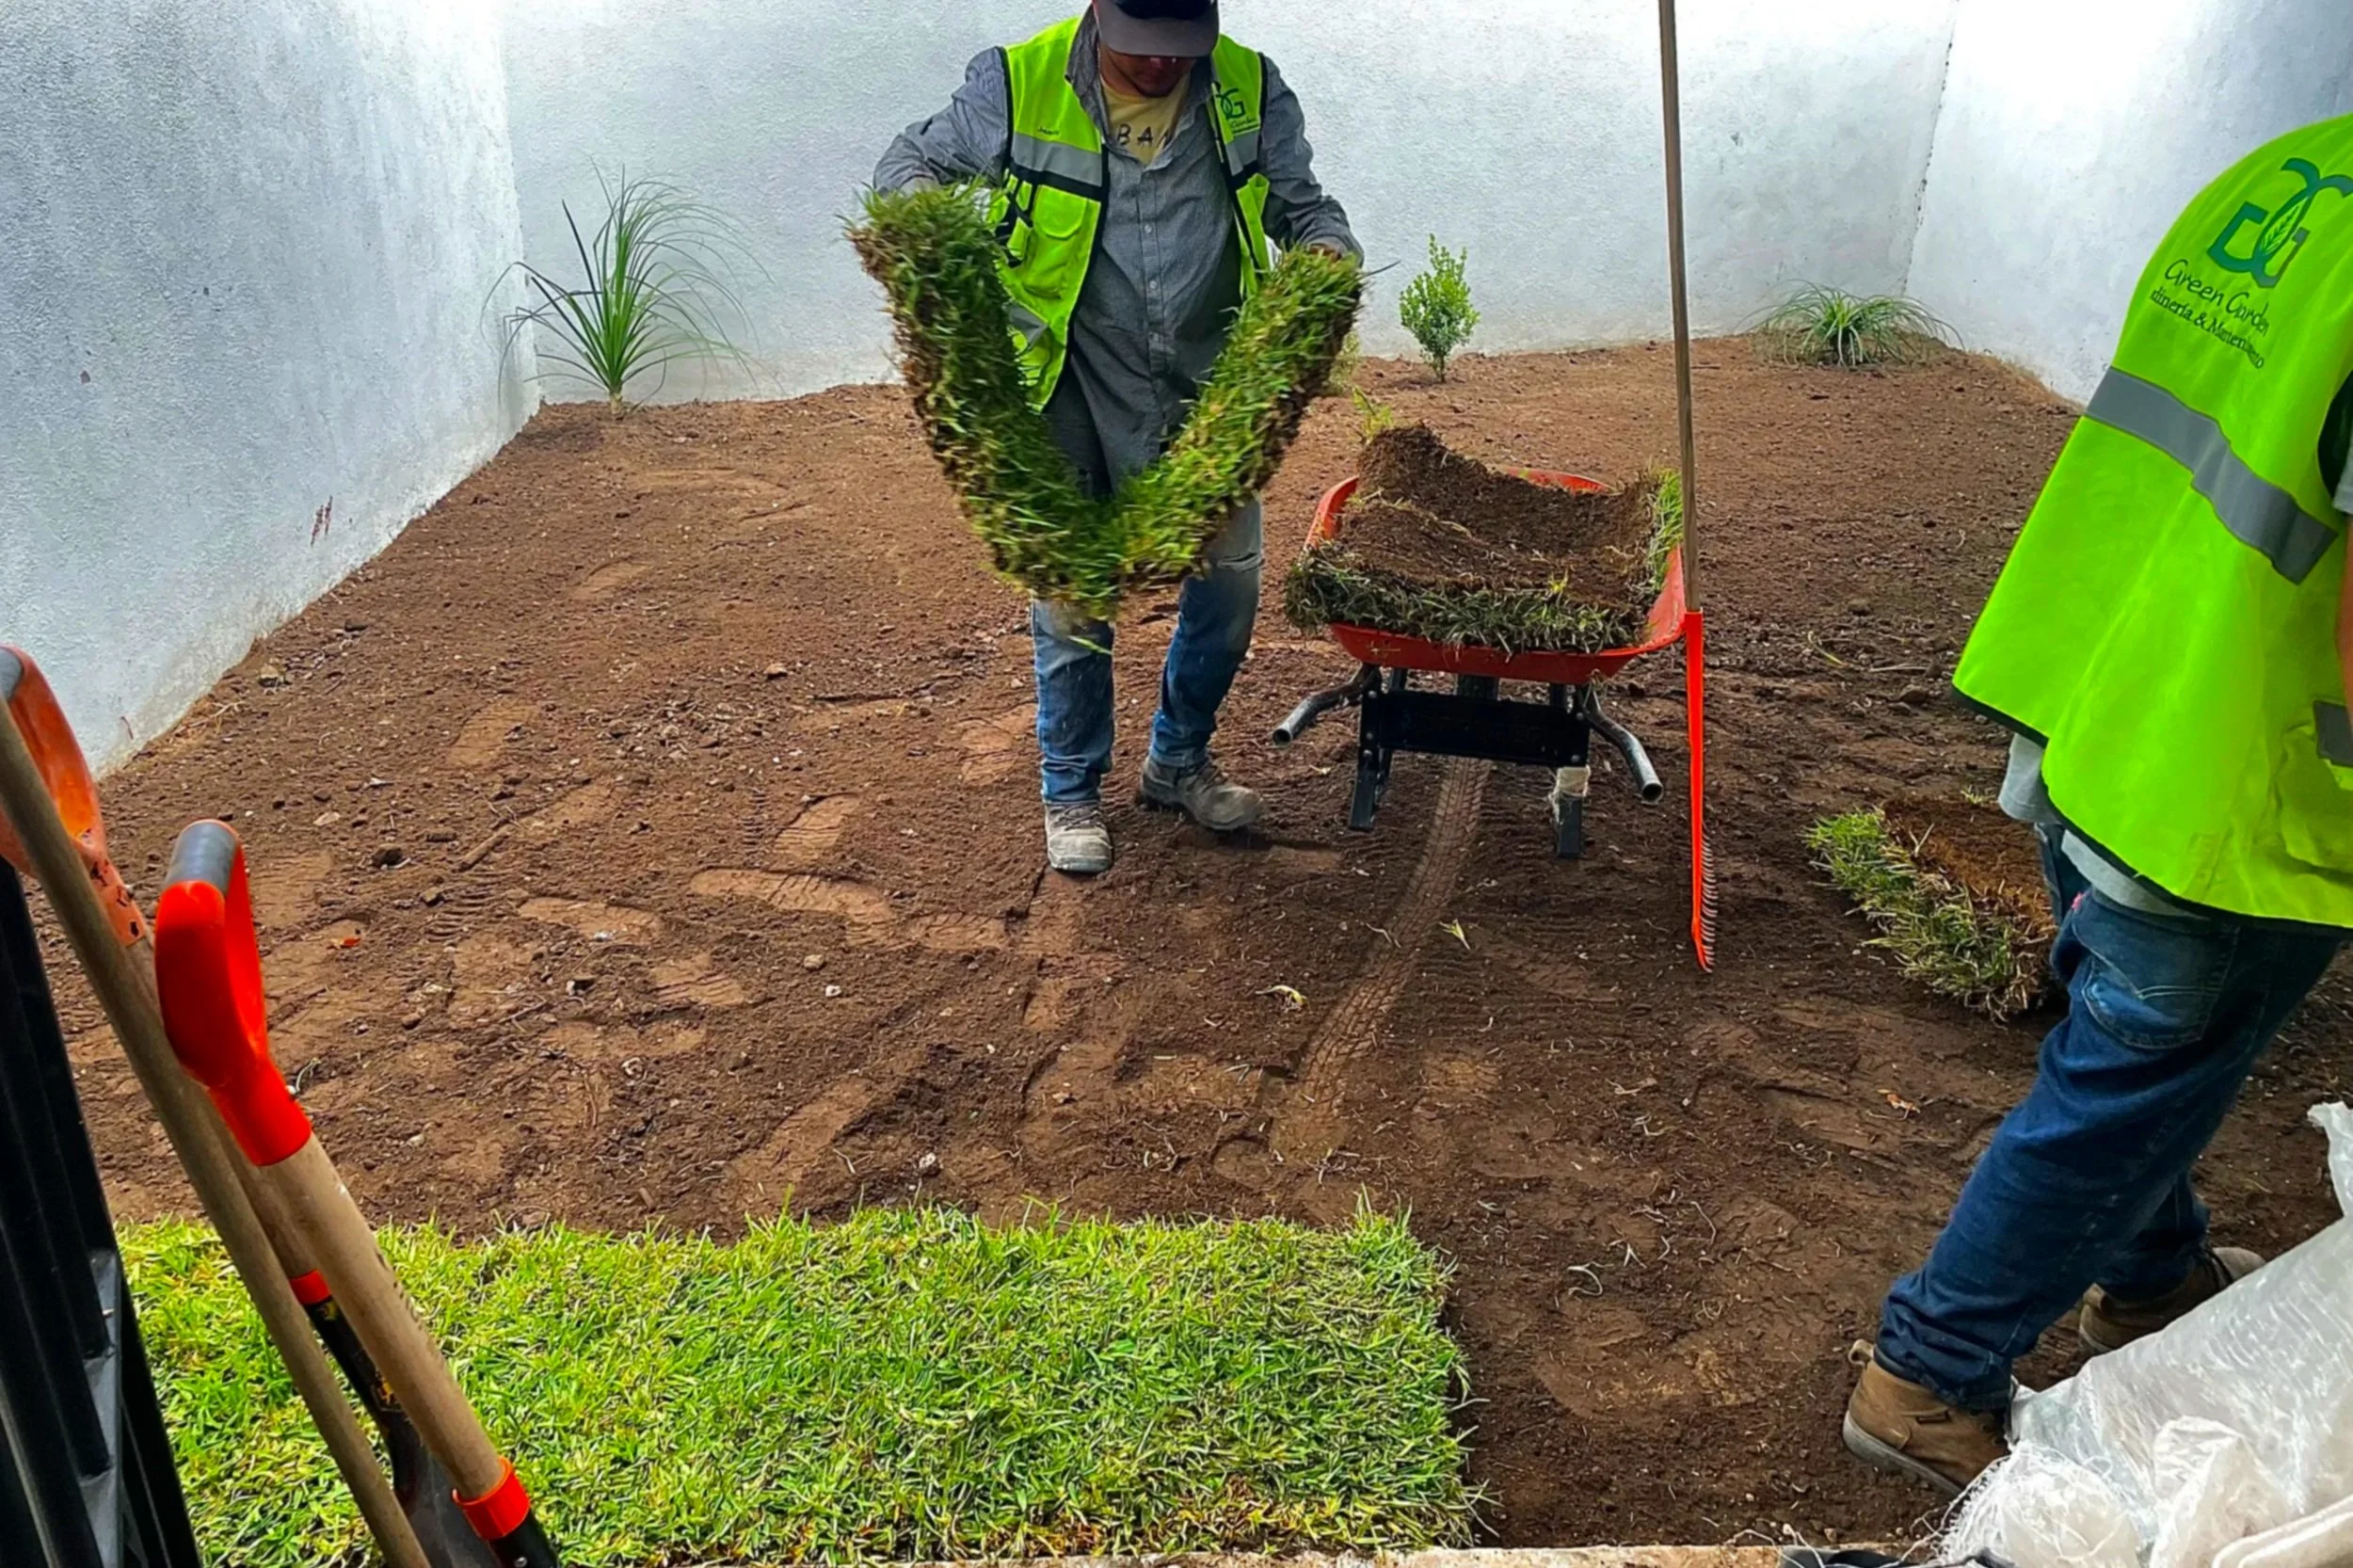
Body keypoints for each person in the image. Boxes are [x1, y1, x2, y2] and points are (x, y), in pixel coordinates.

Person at [1844, 114, 2353, 1496]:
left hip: (2097, 680)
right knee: (2132, 1071)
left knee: (2134, 1039)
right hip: (2226, 774)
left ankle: (2149, 1273)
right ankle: (1929, 1377)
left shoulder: (2299, 169)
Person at [874, 0, 1358, 874]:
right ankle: (1071, 789)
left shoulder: (1249, 86)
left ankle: (1177, 761)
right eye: (1146, 51)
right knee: (1071, 598)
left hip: (1207, 393)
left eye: (1183, 50)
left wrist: (1328, 254)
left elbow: (1305, 208)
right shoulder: (1019, 81)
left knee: (1229, 595)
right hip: (1069, 382)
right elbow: (909, 164)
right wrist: (923, 228)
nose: (1166, 67)